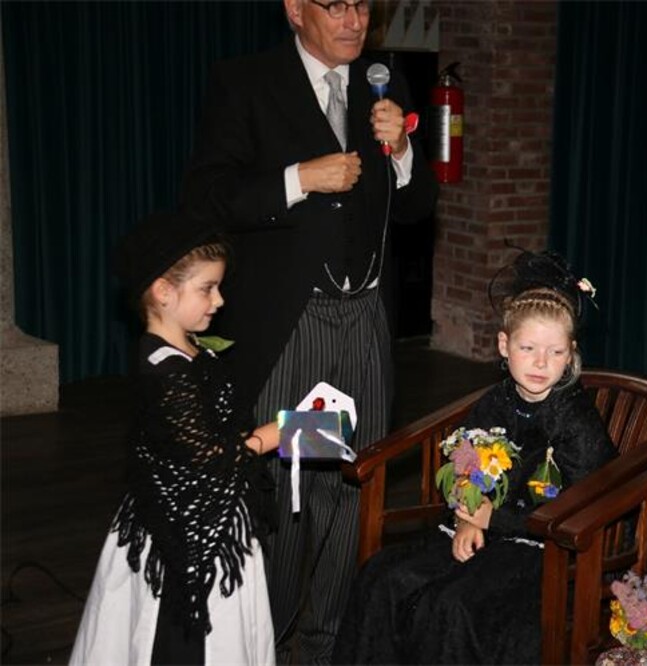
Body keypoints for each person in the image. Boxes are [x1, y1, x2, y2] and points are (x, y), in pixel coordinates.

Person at [178, 0, 439, 659]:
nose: (354, 19)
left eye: (362, 3)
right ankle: (261, 639)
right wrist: (300, 179)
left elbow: (417, 207)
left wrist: (405, 151)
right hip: (294, 324)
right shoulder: (247, 81)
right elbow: (209, 198)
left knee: (348, 482)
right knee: (287, 483)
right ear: (295, 8)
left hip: (364, 323)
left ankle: (327, 643)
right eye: (335, 4)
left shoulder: (384, 81)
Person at [332, 251, 614, 663]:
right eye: (528, 347)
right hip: (481, 527)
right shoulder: (495, 402)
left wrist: (490, 519)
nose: (540, 362)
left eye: (555, 352)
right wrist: (467, 516)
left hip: (542, 547)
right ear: (504, 345)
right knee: (383, 578)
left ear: (570, 354)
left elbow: (580, 506)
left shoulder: (576, 420)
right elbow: (464, 465)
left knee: (452, 605)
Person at [70, 211, 279, 665]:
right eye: (207, 288)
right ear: (164, 292)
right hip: (182, 532)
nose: (219, 300)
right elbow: (209, 458)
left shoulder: (188, 347)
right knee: (182, 643)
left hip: (207, 511)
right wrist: (276, 434)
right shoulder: (164, 371)